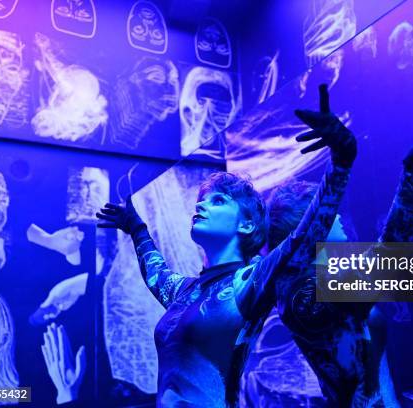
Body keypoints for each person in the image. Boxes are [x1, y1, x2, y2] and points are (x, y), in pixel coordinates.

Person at [96, 85, 357, 407]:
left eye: (218, 201)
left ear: (246, 224)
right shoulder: (185, 292)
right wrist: (136, 228)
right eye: (201, 201)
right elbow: (156, 272)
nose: (202, 206)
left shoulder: (251, 281)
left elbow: (304, 235)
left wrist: (341, 162)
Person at [264, 117, 413, 406]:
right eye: (329, 212)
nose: (339, 218)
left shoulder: (325, 280)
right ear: (308, 226)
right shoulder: (301, 295)